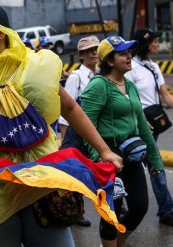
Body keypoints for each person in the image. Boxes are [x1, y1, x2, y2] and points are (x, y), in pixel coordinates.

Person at [0, 2, 121, 246]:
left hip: (42, 188)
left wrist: (105, 150)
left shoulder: (33, 68)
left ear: (0, 31)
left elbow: (70, 108)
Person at [80, 35, 162, 247]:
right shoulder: (98, 85)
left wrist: (155, 161)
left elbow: (142, 125)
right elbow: (86, 125)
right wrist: (99, 156)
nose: (129, 56)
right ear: (109, 60)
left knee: (140, 206)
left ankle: (117, 243)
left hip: (132, 154)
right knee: (111, 212)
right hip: (107, 155)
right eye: (123, 53)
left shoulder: (129, 85)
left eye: (130, 52)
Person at [125, 28, 173, 227]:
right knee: (156, 167)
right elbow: (127, 98)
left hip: (153, 124)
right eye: (154, 41)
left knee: (134, 166)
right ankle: (166, 210)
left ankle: (122, 201)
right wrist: (139, 120)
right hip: (139, 125)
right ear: (145, 45)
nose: (157, 44)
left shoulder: (154, 67)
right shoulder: (131, 68)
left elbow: (164, 94)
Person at [58, 35, 100, 227]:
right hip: (76, 135)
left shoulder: (100, 75)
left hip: (95, 133)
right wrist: (66, 138)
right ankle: (74, 211)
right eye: (89, 51)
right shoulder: (76, 77)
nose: (94, 53)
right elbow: (67, 110)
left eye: (96, 49)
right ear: (81, 55)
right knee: (75, 174)